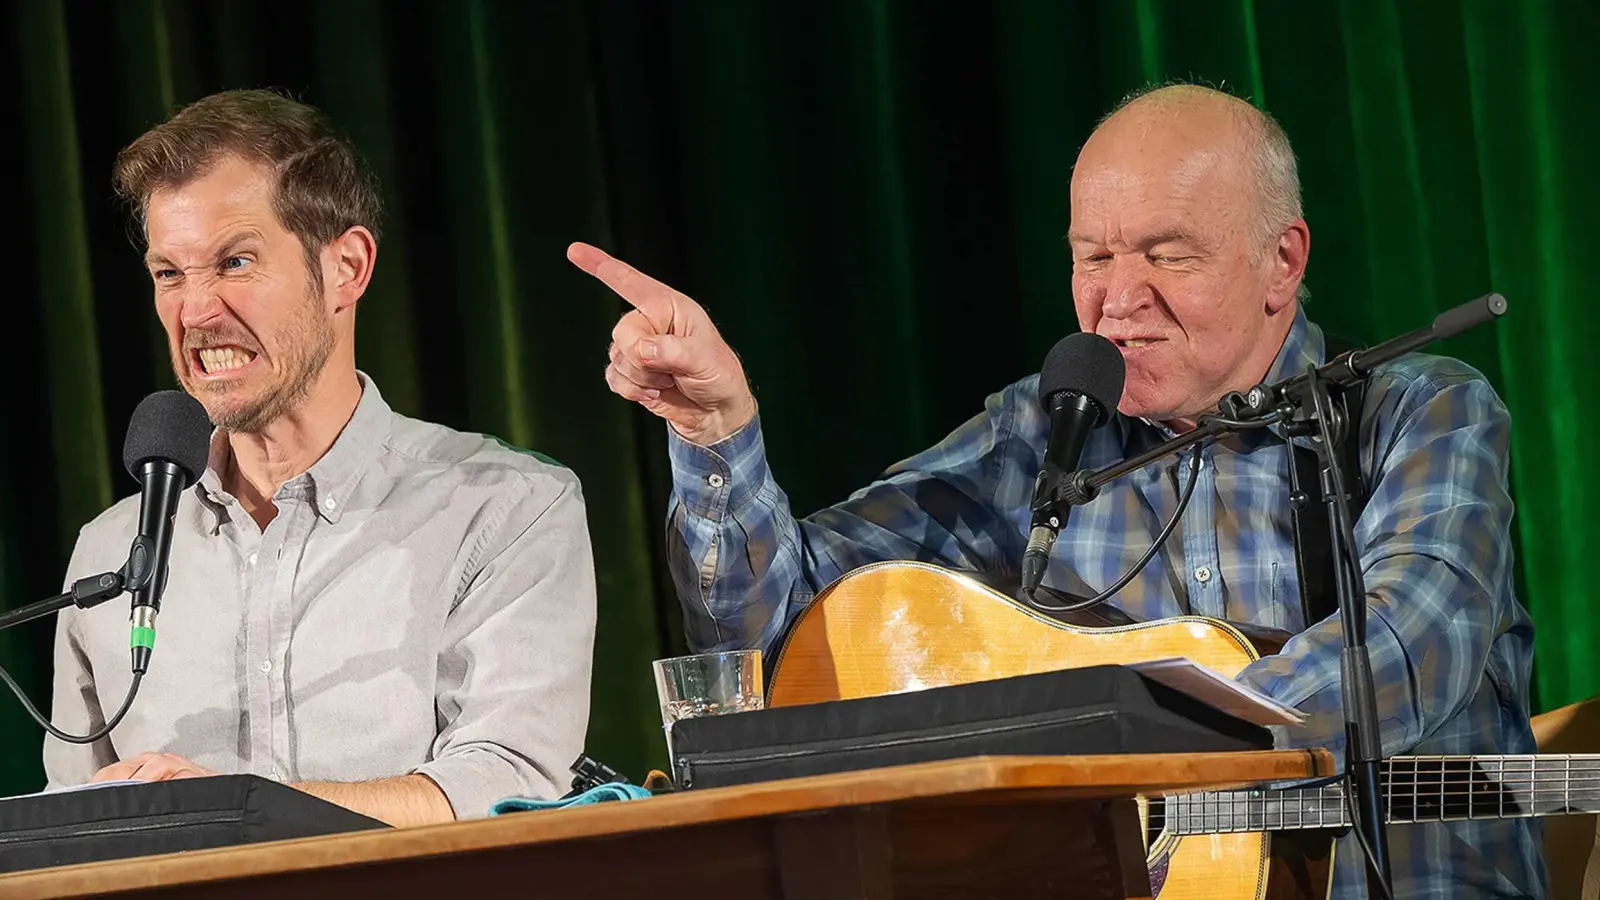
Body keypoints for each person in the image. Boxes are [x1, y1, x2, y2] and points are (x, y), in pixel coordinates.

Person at [577, 85, 1541, 897]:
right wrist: (716, 433)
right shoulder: (1045, 433)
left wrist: (1124, 745)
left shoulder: (1421, 412)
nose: (1118, 298)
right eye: (1094, 257)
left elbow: (1413, 644)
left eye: (1168, 254)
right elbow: (779, 637)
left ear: (1281, 262)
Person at [46, 90, 597, 827]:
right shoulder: (109, 554)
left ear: (347, 268)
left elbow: (503, 784)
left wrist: (236, 811)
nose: (196, 311)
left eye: (235, 261)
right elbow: (69, 825)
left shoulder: (506, 509)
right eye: (169, 273)